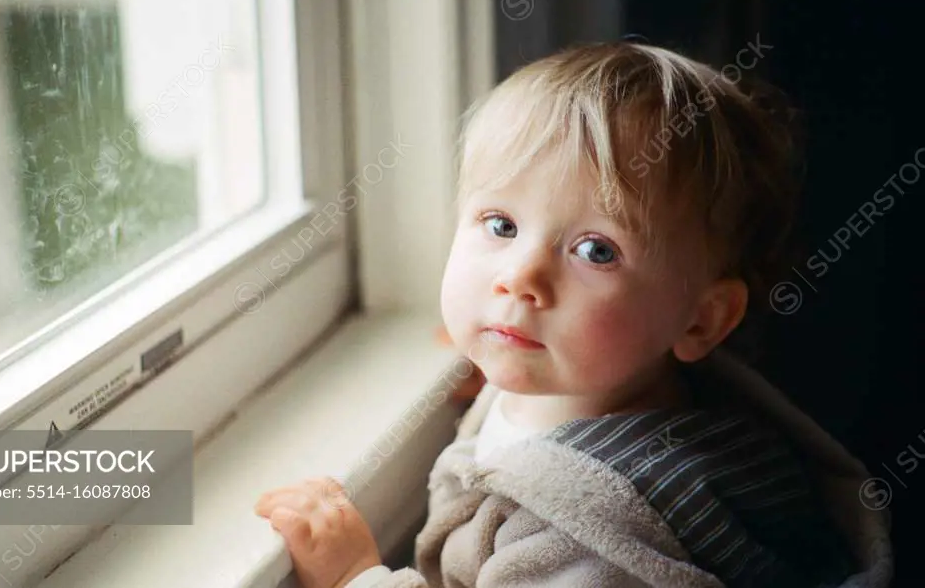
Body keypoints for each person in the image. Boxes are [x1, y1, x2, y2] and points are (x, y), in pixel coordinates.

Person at [254, 42, 893, 587]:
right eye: (500, 223)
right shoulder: (609, 378)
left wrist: (354, 577)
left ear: (700, 320)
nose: (521, 278)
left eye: (596, 251)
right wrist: (498, 366)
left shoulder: (600, 543)